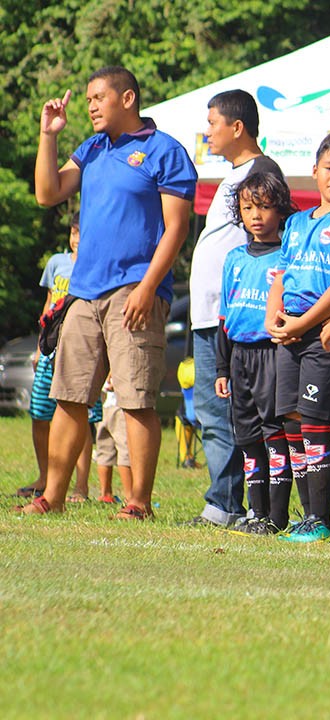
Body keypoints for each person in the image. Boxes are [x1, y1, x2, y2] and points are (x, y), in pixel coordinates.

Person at [24, 66, 196, 519]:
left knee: (136, 398)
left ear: (128, 98)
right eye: (87, 100)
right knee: (69, 395)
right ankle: (53, 497)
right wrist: (49, 135)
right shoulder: (92, 149)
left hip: (133, 293)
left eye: (99, 97)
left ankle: (138, 502)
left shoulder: (165, 152)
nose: (91, 106)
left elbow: (176, 229)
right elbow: (47, 193)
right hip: (84, 293)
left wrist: (147, 287)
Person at [263, 131, 330, 542]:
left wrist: (303, 323)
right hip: (291, 329)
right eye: (329, 168)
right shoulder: (293, 223)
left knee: (314, 421)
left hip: (323, 332)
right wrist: (275, 316)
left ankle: (321, 520)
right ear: (314, 171)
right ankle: (306, 516)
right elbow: (282, 275)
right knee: (291, 420)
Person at [187, 89, 284, 528]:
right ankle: (232, 503)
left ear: (236, 127)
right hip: (212, 313)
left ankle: (229, 505)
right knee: (213, 410)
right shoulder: (234, 174)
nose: (207, 132)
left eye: (212, 123)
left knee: (225, 413)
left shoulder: (260, 172)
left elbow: (274, 246)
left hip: (240, 319)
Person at [214, 172, 295, 535]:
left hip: (272, 353)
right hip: (239, 356)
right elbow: (224, 317)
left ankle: (277, 517)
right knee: (247, 439)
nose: (256, 215)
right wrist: (222, 368)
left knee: (273, 434)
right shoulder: (234, 258)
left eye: (263, 207)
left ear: (279, 210)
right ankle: (256, 512)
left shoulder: (288, 256)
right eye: (248, 208)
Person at [22, 212, 97, 500]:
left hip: (79, 348)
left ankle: (80, 486)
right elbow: (49, 303)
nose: (77, 239)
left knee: (79, 413)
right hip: (51, 350)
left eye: (82, 233)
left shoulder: (95, 266)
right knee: (40, 413)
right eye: (73, 233)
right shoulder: (57, 263)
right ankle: (44, 477)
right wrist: (40, 346)